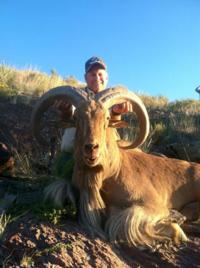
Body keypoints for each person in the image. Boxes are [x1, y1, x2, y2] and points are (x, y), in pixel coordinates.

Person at [53, 56, 131, 178]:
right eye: (92, 74)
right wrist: (66, 110)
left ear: (106, 77)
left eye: (100, 74)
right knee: (65, 175)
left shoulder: (114, 99)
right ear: (85, 78)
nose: (97, 78)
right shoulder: (76, 97)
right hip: (78, 151)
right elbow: (69, 116)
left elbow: (112, 129)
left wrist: (116, 113)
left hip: (106, 152)